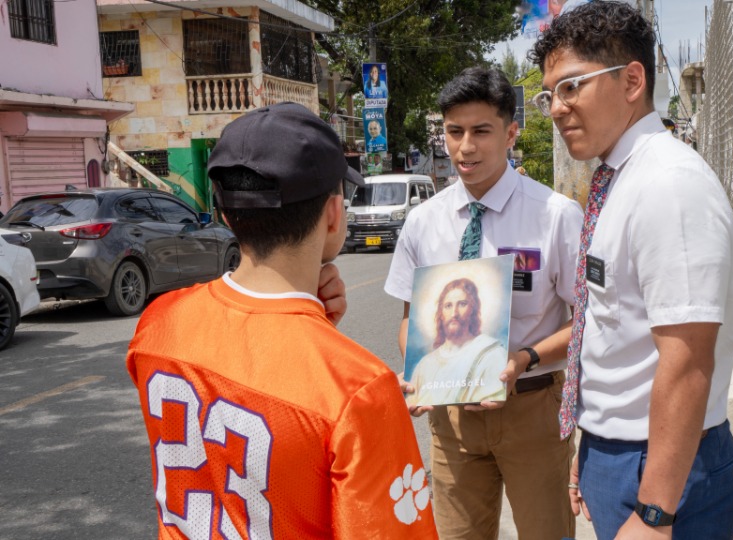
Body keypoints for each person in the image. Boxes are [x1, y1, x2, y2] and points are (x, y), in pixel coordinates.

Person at [126, 102, 437, 539]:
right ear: (333, 215)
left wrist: (315, 326)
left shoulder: (159, 322)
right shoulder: (358, 389)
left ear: (228, 214)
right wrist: (319, 338)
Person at [530, 2, 733, 539]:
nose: (556, 108)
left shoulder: (668, 186)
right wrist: (594, 441)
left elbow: (689, 358)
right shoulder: (620, 177)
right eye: (548, 93)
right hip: (623, 450)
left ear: (631, 81)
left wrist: (654, 512)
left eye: (572, 86)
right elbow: (610, 330)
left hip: (665, 465)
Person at [385, 67, 584, 539]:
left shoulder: (555, 216)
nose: (465, 147)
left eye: (481, 131)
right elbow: (411, 319)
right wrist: (419, 371)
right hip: (451, 422)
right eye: (454, 132)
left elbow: (590, 321)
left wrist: (523, 360)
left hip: (532, 409)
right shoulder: (422, 222)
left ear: (511, 133)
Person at [406, 277, 507, 407]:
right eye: (448, 306)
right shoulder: (425, 365)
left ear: (473, 309)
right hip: (443, 421)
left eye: (462, 304)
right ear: (441, 313)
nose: (454, 313)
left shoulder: (492, 354)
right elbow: (413, 400)